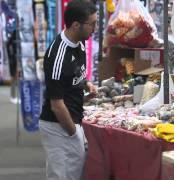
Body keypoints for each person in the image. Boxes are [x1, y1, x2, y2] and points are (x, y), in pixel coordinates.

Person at [39, 1, 97, 180]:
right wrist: (73, 133)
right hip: (58, 126)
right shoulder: (57, 55)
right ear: (76, 25)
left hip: (72, 121)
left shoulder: (79, 42)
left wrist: (86, 84)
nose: (94, 29)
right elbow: (56, 105)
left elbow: (75, 73)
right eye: (92, 24)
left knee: (74, 172)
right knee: (62, 175)